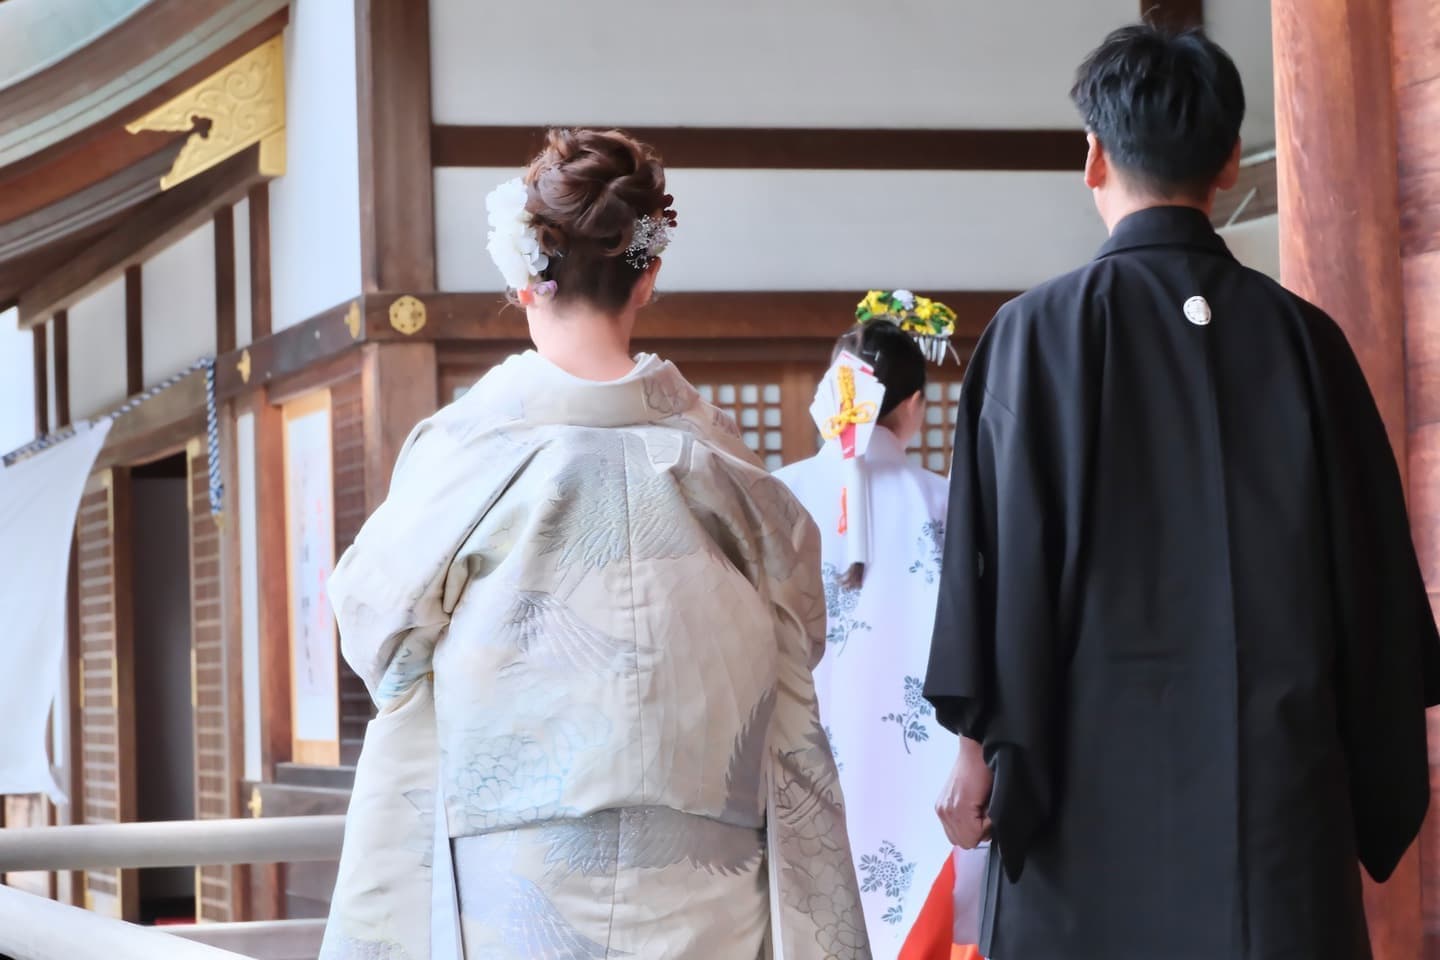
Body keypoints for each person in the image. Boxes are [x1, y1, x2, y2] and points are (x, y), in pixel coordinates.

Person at [924, 23, 1440, 960]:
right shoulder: (1307, 343)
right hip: (1277, 812)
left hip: (1080, 806)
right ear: (1230, 162)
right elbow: (1373, 591)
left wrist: (973, 747)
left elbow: (985, 571)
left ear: (1093, 158)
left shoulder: (1030, 338)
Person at [318, 128, 871, 960]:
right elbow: (801, 633)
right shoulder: (725, 462)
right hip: (707, 868)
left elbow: (381, 637)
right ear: (648, 275)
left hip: (515, 866)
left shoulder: (468, 451)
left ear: (522, 278)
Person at [775, 297, 960, 958]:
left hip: (795, 764)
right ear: (912, 406)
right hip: (936, 770)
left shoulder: (775, 496)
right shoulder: (949, 501)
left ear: (834, 394)